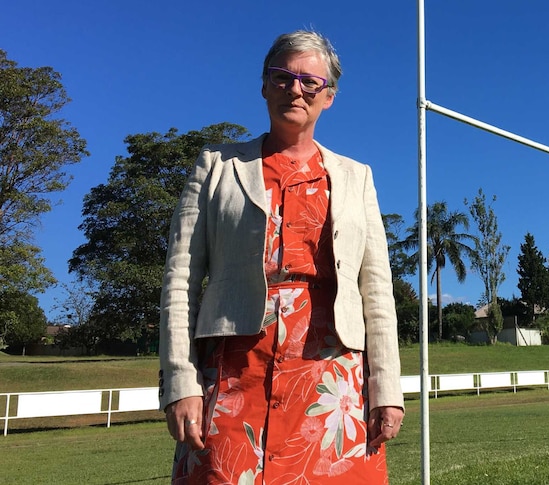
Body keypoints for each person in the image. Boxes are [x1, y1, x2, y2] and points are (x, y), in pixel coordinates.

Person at [158, 30, 404, 484]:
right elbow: (180, 281)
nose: (296, 89)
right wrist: (179, 383)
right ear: (265, 85)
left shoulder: (357, 177)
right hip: (231, 379)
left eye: (311, 82)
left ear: (328, 96)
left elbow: (377, 291)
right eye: (282, 77)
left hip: (333, 388)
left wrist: (386, 389)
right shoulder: (215, 166)